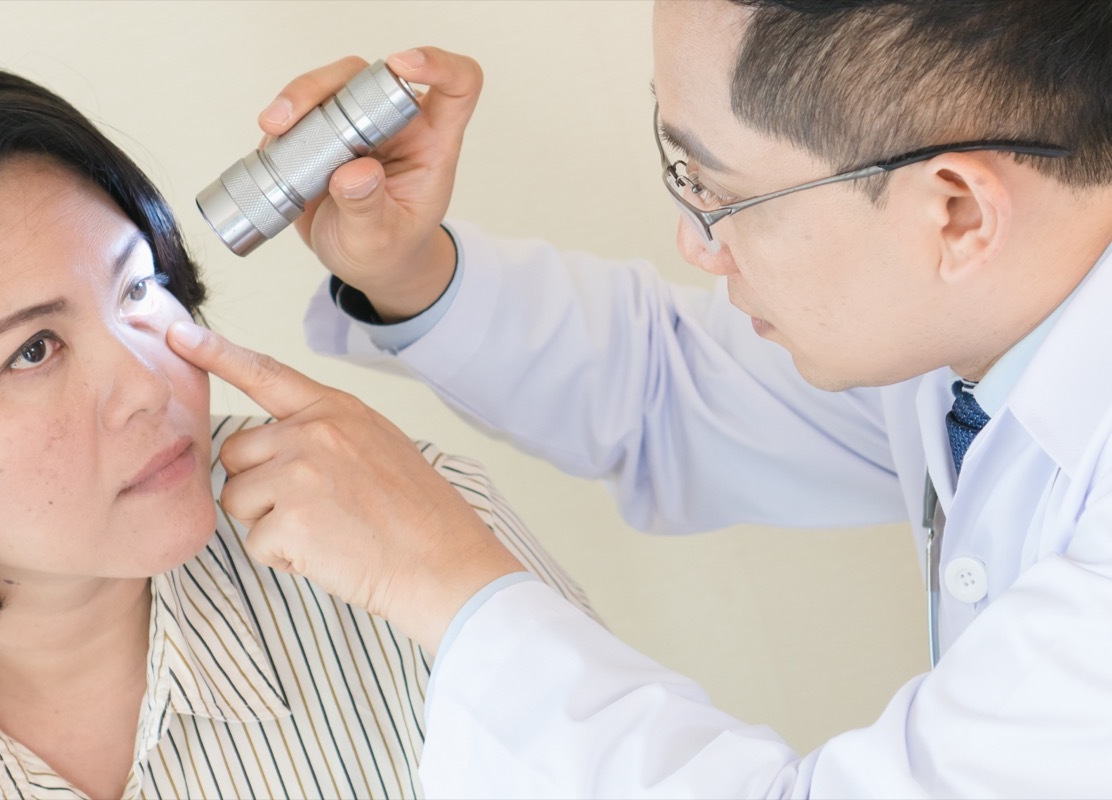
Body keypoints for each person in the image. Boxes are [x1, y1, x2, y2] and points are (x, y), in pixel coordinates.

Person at [169, 0, 1112, 796]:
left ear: (956, 212)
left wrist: (445, 581)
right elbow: (670, 387)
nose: (696, 241)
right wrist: (408, 268)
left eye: (715, 189)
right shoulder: (982, 313)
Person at [0, 58, 592, 799]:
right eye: (33, 350)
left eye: (139, 286)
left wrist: (479, 608)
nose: (149, 384)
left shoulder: (420, 537)